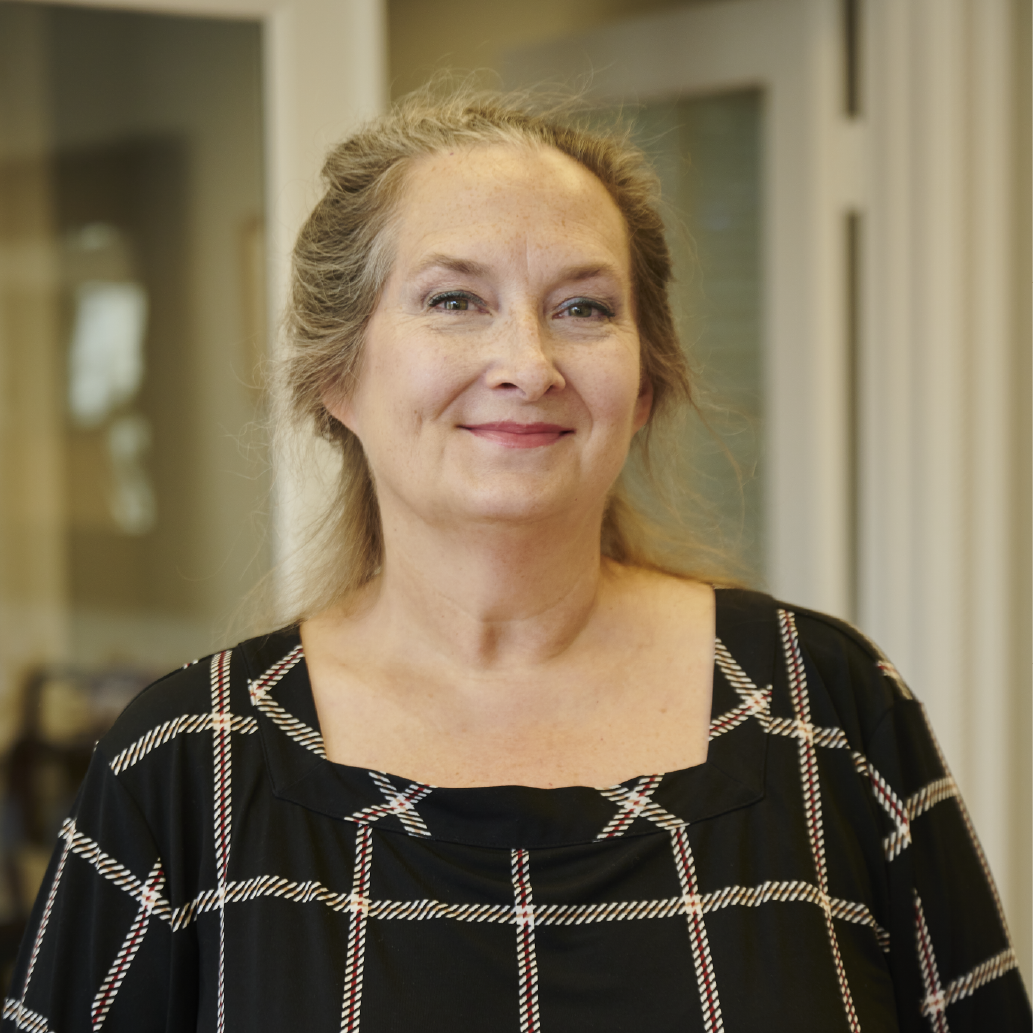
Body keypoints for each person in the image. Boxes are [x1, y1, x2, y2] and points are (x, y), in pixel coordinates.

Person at [3, 86, 1031, 1033]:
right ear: (338, 375)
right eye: (454, 300)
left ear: (643, 386)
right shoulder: (187, 761)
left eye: (584, 307)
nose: (528, 365)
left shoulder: (824, 707)